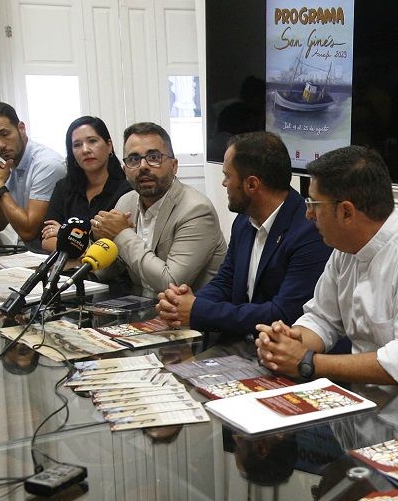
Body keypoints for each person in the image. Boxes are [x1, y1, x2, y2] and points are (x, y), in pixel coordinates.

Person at [254, 145, 398, 398]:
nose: (308, 214)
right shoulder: (345, 247)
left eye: (314, 204)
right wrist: (288, 342)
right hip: (371, 411)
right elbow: (322, 318)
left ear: (346, 211)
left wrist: (308, 362)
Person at [155, 131, 331, 339]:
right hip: (240, 346)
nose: (224, 183)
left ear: (251, 185)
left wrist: (197, 310)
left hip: (279, 349)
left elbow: (284, 313)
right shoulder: (244, 221)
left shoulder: (308, 230)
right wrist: (181, 303)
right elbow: (226, 282)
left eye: (227, 176)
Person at [92, 122, 227, 297]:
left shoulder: (196, 210)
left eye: (154, 157)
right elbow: (107, 273)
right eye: (133, 159)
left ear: (174, 165)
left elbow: (171, 283)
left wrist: (121, 234)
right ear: (125, 170)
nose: (143, 166)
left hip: (191, 318)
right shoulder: (126, 202)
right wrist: (101, 239)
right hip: (142, 310)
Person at [0, 101, 65, 251]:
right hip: (28, 254)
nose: (0, 144)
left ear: (21, 128)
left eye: (5, 134)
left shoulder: (47, 164)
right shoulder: (9, 166)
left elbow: (29, 232)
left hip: (53, 258)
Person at [39, 116, 131, 253]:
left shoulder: (127, 191)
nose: (85, 150)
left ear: (109, 145)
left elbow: (114, 244)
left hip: (107, 272)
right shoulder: (63, 188)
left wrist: (64, 234)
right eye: (77, 145)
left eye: (92, 141)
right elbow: (47, 239)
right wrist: (85, 247)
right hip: (67, 271)